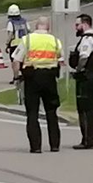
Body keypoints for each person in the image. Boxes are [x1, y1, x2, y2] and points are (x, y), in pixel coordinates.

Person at [12, 14, 63, 153]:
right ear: (48, 27)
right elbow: (60, 58)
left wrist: (17, 77)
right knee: (52, 112)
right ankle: (55, 145)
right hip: (50, 78)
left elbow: (16, 60)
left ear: (36, 26)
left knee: (32, 113)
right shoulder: (54, 40)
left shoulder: (27, 39)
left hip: (32, 78)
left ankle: (36, 147)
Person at [69, 13, 93, 150]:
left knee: (84, 109)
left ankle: (88, 140)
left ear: (84, 24)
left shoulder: (87, 40)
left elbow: (84, 56)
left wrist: (78, 69)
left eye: (77, 25)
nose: (76, 27)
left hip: (86, 78)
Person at [5, 3, 29, 79]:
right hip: (25, 44)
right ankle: (25, 75)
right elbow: (29, 31)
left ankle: (15, 77)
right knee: (24, 60)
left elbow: (10, 34)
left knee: (15, 61)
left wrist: (7, 44)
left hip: (15, 45)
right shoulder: (24, 21)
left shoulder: (11, 22)